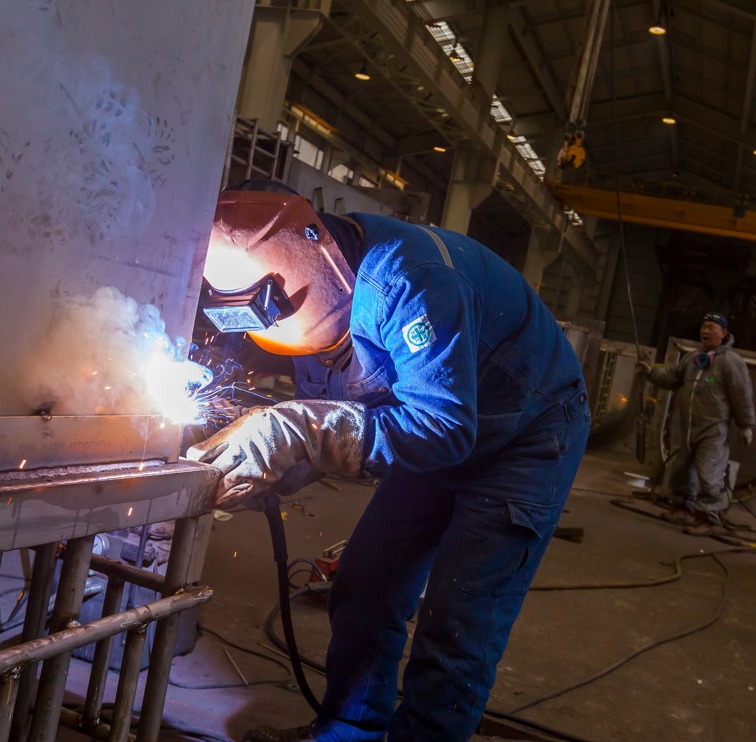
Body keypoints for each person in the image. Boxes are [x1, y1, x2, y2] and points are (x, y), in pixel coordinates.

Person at [188, 182, 590, 741]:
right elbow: (350, 421)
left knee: (458, 619)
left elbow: (444, 428)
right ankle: (349, 732)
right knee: (365, 586)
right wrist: (280, 464)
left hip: (525, 436)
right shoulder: (308, 311)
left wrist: (301, 429)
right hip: (433, 432)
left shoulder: (409, 278)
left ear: (312, 260)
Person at [638, 313, 755, 536]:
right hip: (690, 427)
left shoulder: (731, 362)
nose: (706, 331)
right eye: (703, 326)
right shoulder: (692, 359)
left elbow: (742, 395)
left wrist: (746, 426)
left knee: (709, 475)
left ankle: (709, 519)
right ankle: (684, 509)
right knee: (682, 471)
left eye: (712, 327)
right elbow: (673, 378)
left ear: (724, 333)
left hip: (714, 430)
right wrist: (651, 372)